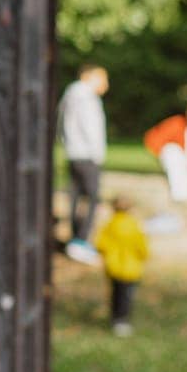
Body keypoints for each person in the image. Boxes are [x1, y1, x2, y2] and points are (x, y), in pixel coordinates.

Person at [57, 63, 108, 263]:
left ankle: (74, 238)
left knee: (76, 196)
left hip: (73, 151)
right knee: (93, 197)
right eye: (102, 79)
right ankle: (81, 240)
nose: (105, 84)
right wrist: (97, 153)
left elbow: (60, 121)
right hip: (87, 154)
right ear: (90, 76)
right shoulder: (87, 97)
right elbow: (91, 128)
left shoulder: (70, 94)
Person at [94, 194, 149, 336]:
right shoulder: (134, 225)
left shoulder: (110, 225)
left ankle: (115, 318)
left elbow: (101, 244)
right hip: (131, 269)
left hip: (114, 267)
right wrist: (143, 256)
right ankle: (123, 320)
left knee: (115, 294)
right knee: (127, 296)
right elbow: (142, 247)